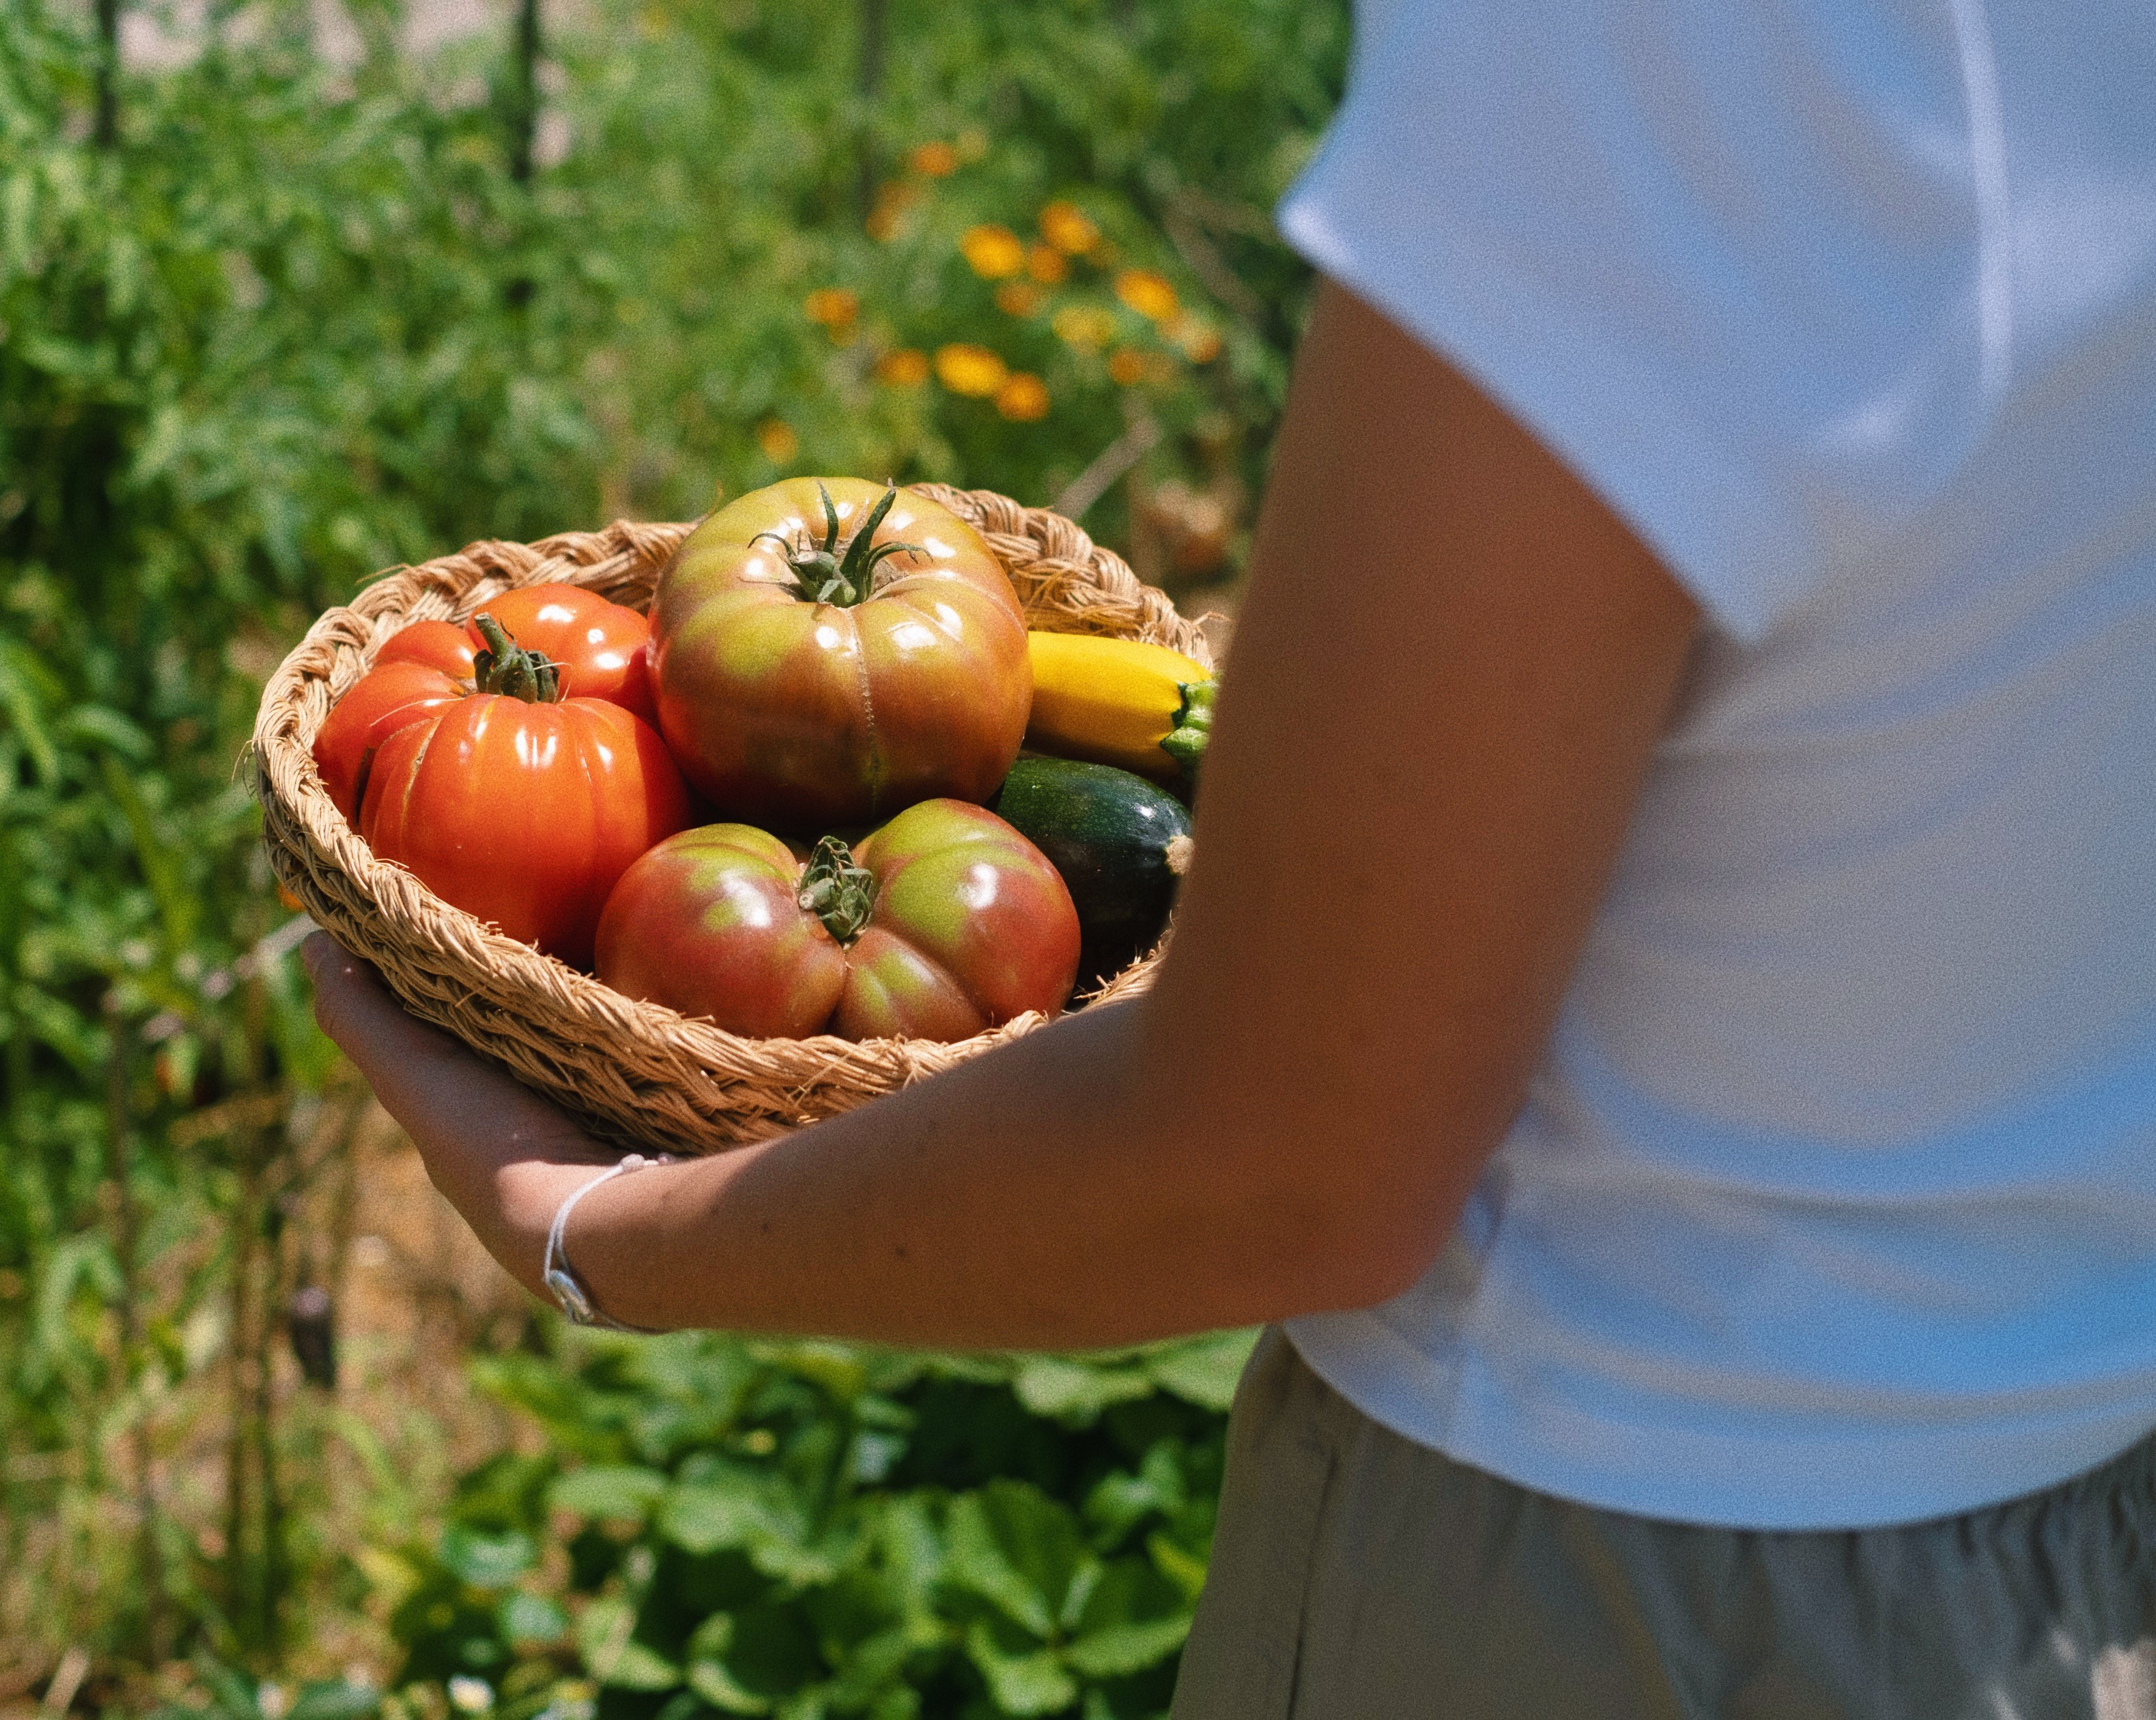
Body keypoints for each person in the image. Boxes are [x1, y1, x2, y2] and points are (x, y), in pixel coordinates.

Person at [304, 0, 2156, 1708]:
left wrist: (594, 1235)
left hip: (1607, 1579)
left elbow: (1281, 1156)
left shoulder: (1665, 42)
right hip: (2072, 1519)